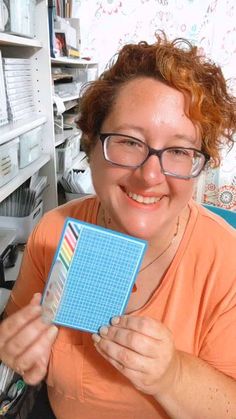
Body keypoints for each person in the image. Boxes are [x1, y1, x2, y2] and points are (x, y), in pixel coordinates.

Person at [0, 31, 236, 419]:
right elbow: (15, 329)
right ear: (91, 145)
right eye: (128, 141)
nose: (149, 176)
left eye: (178, 151)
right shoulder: (52, 232)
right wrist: (15, 349)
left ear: (200, 166)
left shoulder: (226, 262)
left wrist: (172, 375)